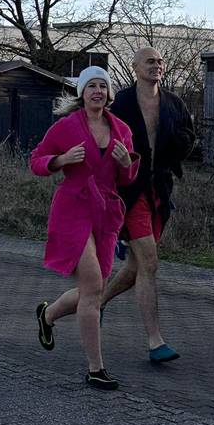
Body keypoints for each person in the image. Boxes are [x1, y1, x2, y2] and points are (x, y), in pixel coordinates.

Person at [31, 67, 140, 391]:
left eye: (102, 86)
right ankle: (96, 368)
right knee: (93, 284)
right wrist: (61, 160)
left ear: (109, 93)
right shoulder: (67, 126)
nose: (97, 91)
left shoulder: (121, 129)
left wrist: (127, 164)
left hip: (106, 213)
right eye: (91, 85)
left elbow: (127, 178)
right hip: (73, 208)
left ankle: (48, 315)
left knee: (94, 290)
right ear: (82, 92)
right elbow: (37, 161)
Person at [100, 47, 196, 364]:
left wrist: (176, 147)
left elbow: (189, 136)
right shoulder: (121, 103)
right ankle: (155, 341)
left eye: (160, 61)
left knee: (136, 267)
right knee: (150, 263)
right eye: (150, 61)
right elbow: (101, 138)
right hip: (129, 191)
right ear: (135, 67)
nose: (157, 66)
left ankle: (96, 304)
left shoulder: (174, 103)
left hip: (160, 190)